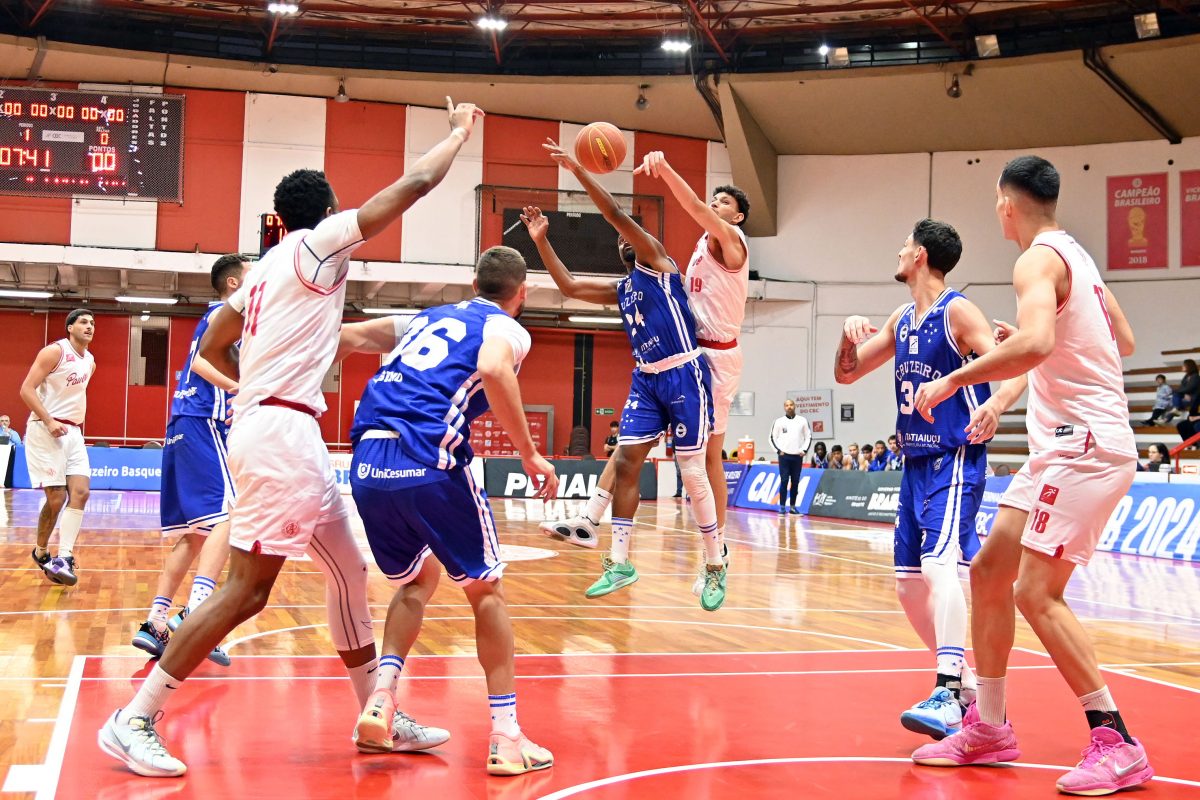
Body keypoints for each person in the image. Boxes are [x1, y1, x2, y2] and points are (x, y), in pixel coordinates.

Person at [97, 97, 483, 779]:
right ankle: (134, 717)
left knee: (348, 571)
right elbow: (417, 183)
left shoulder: (263, 270)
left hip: (281, 429)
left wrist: (259, 368)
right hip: (279, 430)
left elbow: (213, 338)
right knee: (248, 590)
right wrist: (457, 134)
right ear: (327, 209)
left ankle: (375, 715)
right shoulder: (317, 245)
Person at [911, 155, 1152, 796]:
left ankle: (1117, 741)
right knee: (990, 570)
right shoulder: (1077, 258)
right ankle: (990, 727)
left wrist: (955, 380)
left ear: (1005, 204)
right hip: (1063, 447)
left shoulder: (1035, 261)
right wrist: (1033, 337)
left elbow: (1041, 344)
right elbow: (1121, 340)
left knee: (1036, 592)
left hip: (1083, 447)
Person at [338, 246, 557, 774]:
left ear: (473, 283)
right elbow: (492, 367)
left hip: (367, 461)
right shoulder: (506, 327)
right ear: (521, 293)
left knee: (418, 579)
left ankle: (381, 698)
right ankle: (506, 737)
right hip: (427, 459)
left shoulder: (424, 318)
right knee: (486, 590)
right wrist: (529, 453)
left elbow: (346, 337)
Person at [836, 218, 1020, 741]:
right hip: (914, 462)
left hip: (954, 455)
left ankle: (947, 687)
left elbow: (1016, 364)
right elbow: (848, 373)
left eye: (904, 245)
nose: (898, 251)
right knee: (908, 586)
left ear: (919, 255)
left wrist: (995, 407)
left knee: (940, 567)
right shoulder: (902, 318)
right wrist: (846, 336)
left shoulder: (957, 311)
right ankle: (967, 687)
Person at [523, 138, 726, 612]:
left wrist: (577, 169)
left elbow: (615, 214)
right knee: (627, 459)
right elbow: (569, 286)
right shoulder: (622, 288)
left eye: (626, 234)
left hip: (683, 372)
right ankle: (619, 561)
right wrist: (541, 240)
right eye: (618, 239)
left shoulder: (658, 263)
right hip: (647, 379)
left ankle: (715, 561)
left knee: (692, 471)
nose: (621, 239)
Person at [132, 255, 248, 667]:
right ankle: (198, 613)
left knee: (195, 534)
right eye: (251, 272)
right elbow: (199, 360)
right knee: (231, 514)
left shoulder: (224, 317)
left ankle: (155, 622)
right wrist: (238, 388)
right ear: (233, 283)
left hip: (183, 423)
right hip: (202, 421)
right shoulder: (224, 312)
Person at [20, 309, 96, 587]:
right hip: (45, 428)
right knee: (56, 499)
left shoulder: (90, 361)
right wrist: (50, 420)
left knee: (81, 492)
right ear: (70, 327)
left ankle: (64, 556)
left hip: (73, 432)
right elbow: (26, 389)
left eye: (92, 323)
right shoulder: (54, 352)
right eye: (83, 322)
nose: (89, 327)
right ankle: (41, 551)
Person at [770, 398, 811, 514]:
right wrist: (778, 451)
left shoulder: (802, 420)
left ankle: (792, 507)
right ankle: (782, 507)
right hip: (784, 456)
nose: (789, 407)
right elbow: (772, 437)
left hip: (797, 456)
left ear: (795, 406)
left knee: (795, 481)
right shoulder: (779, 421)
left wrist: (804, 449)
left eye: (791, 405)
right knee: (784, 481)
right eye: (787, 405)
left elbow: (808, 436)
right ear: (784, 407)